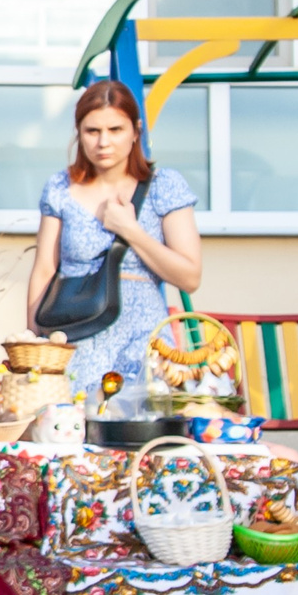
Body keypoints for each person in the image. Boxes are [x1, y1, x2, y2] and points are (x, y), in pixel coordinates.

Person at [24, 80, 201, 398]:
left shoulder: (164, 185)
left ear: (136, 131)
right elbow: (44, 271)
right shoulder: (60, 188)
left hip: (141, 340)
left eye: (115, 130)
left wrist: (131, 230)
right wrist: (35, 347)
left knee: (144, 434)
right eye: (92, 131)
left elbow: (189, 277)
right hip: (73, 338)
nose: (103, 142)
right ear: (79, 133)